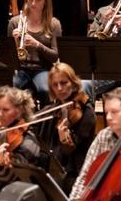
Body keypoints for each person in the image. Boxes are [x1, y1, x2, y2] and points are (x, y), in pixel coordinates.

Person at [38, 62, 96, 193]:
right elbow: (26, 119)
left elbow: (70, 151)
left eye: (63, 83)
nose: (59, 88)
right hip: (54, 168)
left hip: (75, 172)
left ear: (73, 83)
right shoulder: (53, 110)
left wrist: (64, 140)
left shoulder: (86, 112)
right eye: (55, 85)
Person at [9, 0, 61, 101]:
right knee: (9, 88)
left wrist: (37, 44)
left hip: (43, 69)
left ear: (45, 2)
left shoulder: (54, 24)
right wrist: (15, 42)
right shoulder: (14, 22)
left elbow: (55, 56)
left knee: (45, 89)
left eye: (38, 0)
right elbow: (9, 58)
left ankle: (45, 118)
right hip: (20, 68)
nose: (33, 4)